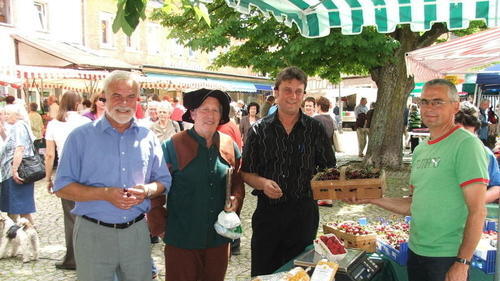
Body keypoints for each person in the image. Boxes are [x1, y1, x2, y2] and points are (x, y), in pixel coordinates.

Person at [346, 79, 489, 281]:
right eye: (424, 102)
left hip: (447, 256)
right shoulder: (420, 150)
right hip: (416, 251)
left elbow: (478, 210)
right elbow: (413, 205)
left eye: (438, 102)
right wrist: (372, 199)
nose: (429, 108)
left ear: (455, 106)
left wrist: (462, 262)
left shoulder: (466, 145)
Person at [53, 71, 171, 281]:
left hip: (136, 232)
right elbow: (62, 186)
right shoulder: (80, 137)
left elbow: (163, 181)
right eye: (117, 95)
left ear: (138, 99)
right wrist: (105, 193)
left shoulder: (148, 137)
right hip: (93, 233)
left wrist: (147, 190)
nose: (124, 102)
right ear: (104, 97)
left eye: (131, 96)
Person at [241, 66, 336, 277]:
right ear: (276, 92)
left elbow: (329, 168)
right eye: (287, 90)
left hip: (303, 215)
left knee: (299, 274)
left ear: (303, 94)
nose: (293, 96)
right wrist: (263, 183)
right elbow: (246, 172)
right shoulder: (258, 131)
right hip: (268, 215)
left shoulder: (315, 129)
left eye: (298, 91)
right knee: (265, 273)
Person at [162, 88, 245, 281]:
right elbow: (155, 191)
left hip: (218, 240)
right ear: (192, 113)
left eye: (216, 110)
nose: (210, 115)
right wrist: (160, 227)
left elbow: (238, 182)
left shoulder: (228, 145)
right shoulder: (172, 146)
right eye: (204, 109)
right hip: (182, 241)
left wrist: (236, 199)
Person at [44, 91, 90, 270]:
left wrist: (48, 178)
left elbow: (49, 154)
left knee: (70, 217)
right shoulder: (85, 123)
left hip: (66, 172)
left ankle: (72, 258)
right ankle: (88, 255)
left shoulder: (54, 124)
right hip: (86, 173)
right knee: (88, 215)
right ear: (78, 103)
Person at [0, 104, 37, 225]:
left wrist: (14, 170)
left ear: (17, 114)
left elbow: (19, 148)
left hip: (17, 174)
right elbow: (11, 146)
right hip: (11, 174)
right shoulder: (15, 127)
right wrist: (3, 134)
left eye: (7, 114)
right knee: (15, 209)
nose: (4, 117)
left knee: (22, 209)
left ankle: (30, 237)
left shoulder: (19, 126)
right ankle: (18, 237)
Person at [454, 107, 500, 204]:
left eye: (469, 133)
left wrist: (476, 202)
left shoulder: (485, 153)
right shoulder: (441, 152)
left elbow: (496, 187)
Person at [313, 96, 336, 207]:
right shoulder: (331, 118)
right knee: (328, 173)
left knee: (321, 174)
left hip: (320, 149)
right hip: (329, 148)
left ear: (319, 106)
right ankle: (328, 198)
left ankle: (324, 197)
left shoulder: (316, 118)